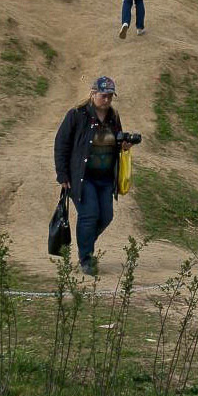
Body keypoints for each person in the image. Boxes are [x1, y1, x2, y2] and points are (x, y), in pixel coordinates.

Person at [53, 76, 134, 276]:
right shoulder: (77, 115)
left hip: (106, 178)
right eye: (103, 96)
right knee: (89, 215)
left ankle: (85, 244)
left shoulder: (113, 117)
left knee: (106, 216)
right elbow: (61, 144)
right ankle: (86, 259)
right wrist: (62, 175)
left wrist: (124, 145)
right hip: (82, 177)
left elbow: (117, 142)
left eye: (109, 97)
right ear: (93, 93)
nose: (106, 100)